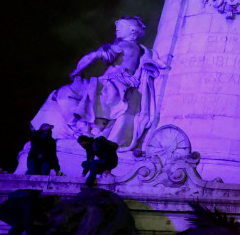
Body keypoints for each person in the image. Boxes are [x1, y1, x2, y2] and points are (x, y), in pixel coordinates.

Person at [31, 15, 164, 153]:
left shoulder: (124, 45)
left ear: (132, 30)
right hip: (116, 84)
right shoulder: (134, 47)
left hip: (112, 84)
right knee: (70, 94)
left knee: (68, 93)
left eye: (121, 27)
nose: (116, 30)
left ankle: (80, 131)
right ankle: (81, 130)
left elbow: (92, 57)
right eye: (117, 28)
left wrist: (78, 71)